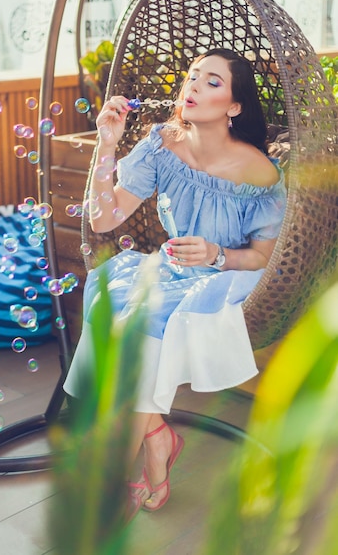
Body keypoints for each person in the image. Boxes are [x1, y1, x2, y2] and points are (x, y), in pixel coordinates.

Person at [63, 48, 287, 517]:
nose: (194, 87)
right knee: (122, 313)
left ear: (234, 106)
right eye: (192, 77)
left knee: (140, 334)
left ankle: (111, 479)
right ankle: (156, 439)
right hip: (170, 271)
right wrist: (107, 144)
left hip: (228, 277)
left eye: (212, 82)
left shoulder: (259, 172)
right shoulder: (161, 144)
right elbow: (104, 219)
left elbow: (263, 257)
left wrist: (215, 253)